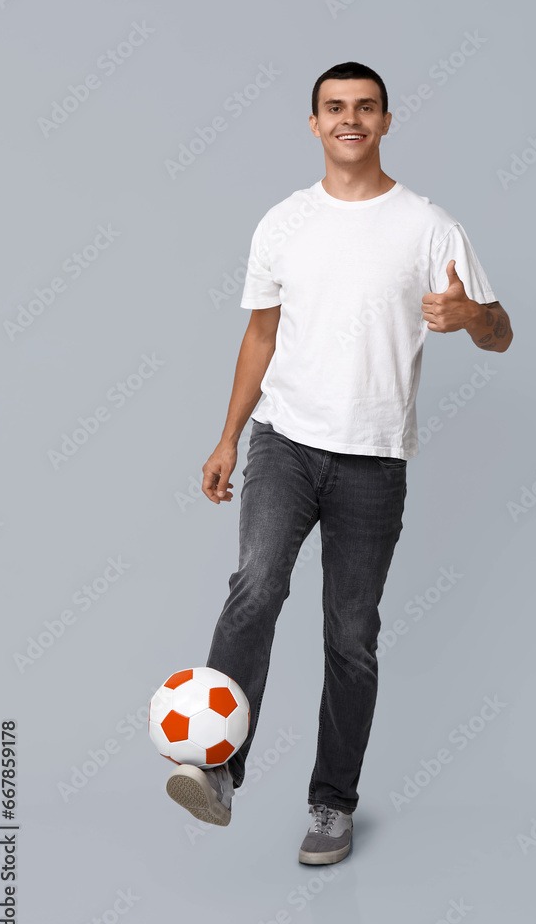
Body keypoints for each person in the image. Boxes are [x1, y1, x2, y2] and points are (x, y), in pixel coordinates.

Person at [166, 61, 513, 864]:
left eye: (364, 108)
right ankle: (213, 765)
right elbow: (260, 336)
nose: (349, 119)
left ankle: (331, 806)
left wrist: (468, 316)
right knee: (256, 584)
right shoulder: (282, 222)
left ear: (386, 121)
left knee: (351, 636)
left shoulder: (429, 227)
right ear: (314, 124)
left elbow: (501, 332)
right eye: (334, 108)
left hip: (373, 462)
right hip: (283, 442)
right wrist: (228, 437)